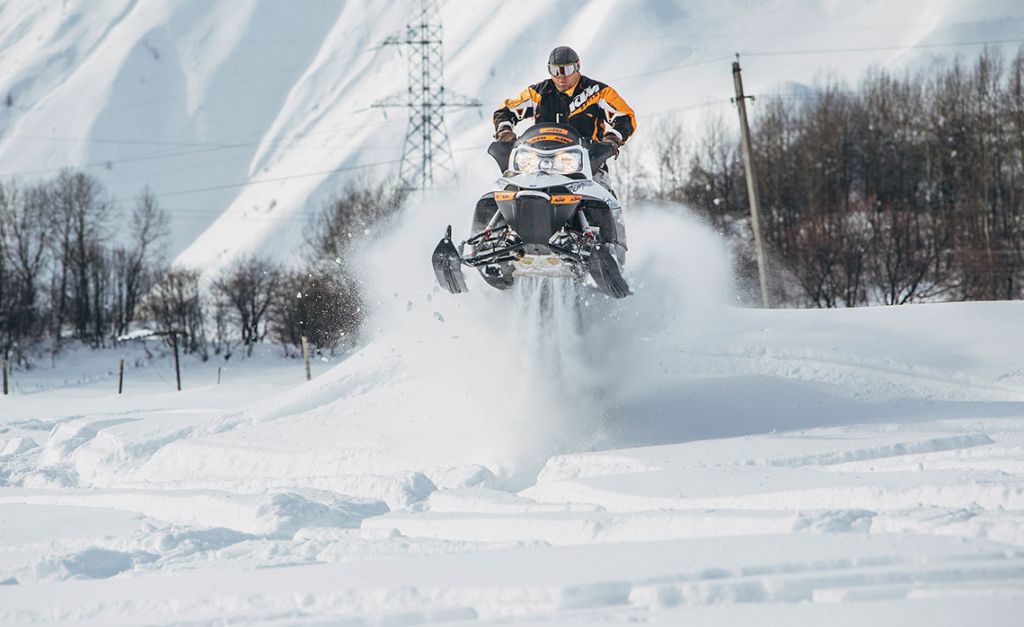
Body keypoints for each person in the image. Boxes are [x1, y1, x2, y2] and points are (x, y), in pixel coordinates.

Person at [492, 45, 637, 195]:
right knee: (510, 189)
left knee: (601, 196)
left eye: (567, 70)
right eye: (555, 71)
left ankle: (606, 209)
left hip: (588, 164)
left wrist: (612, 139)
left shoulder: (598, 92)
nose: (561, 77)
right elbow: (505, 111)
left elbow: (626, 117)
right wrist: (504, 130)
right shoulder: (537, 93)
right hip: (540, 164)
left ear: (577, 67)